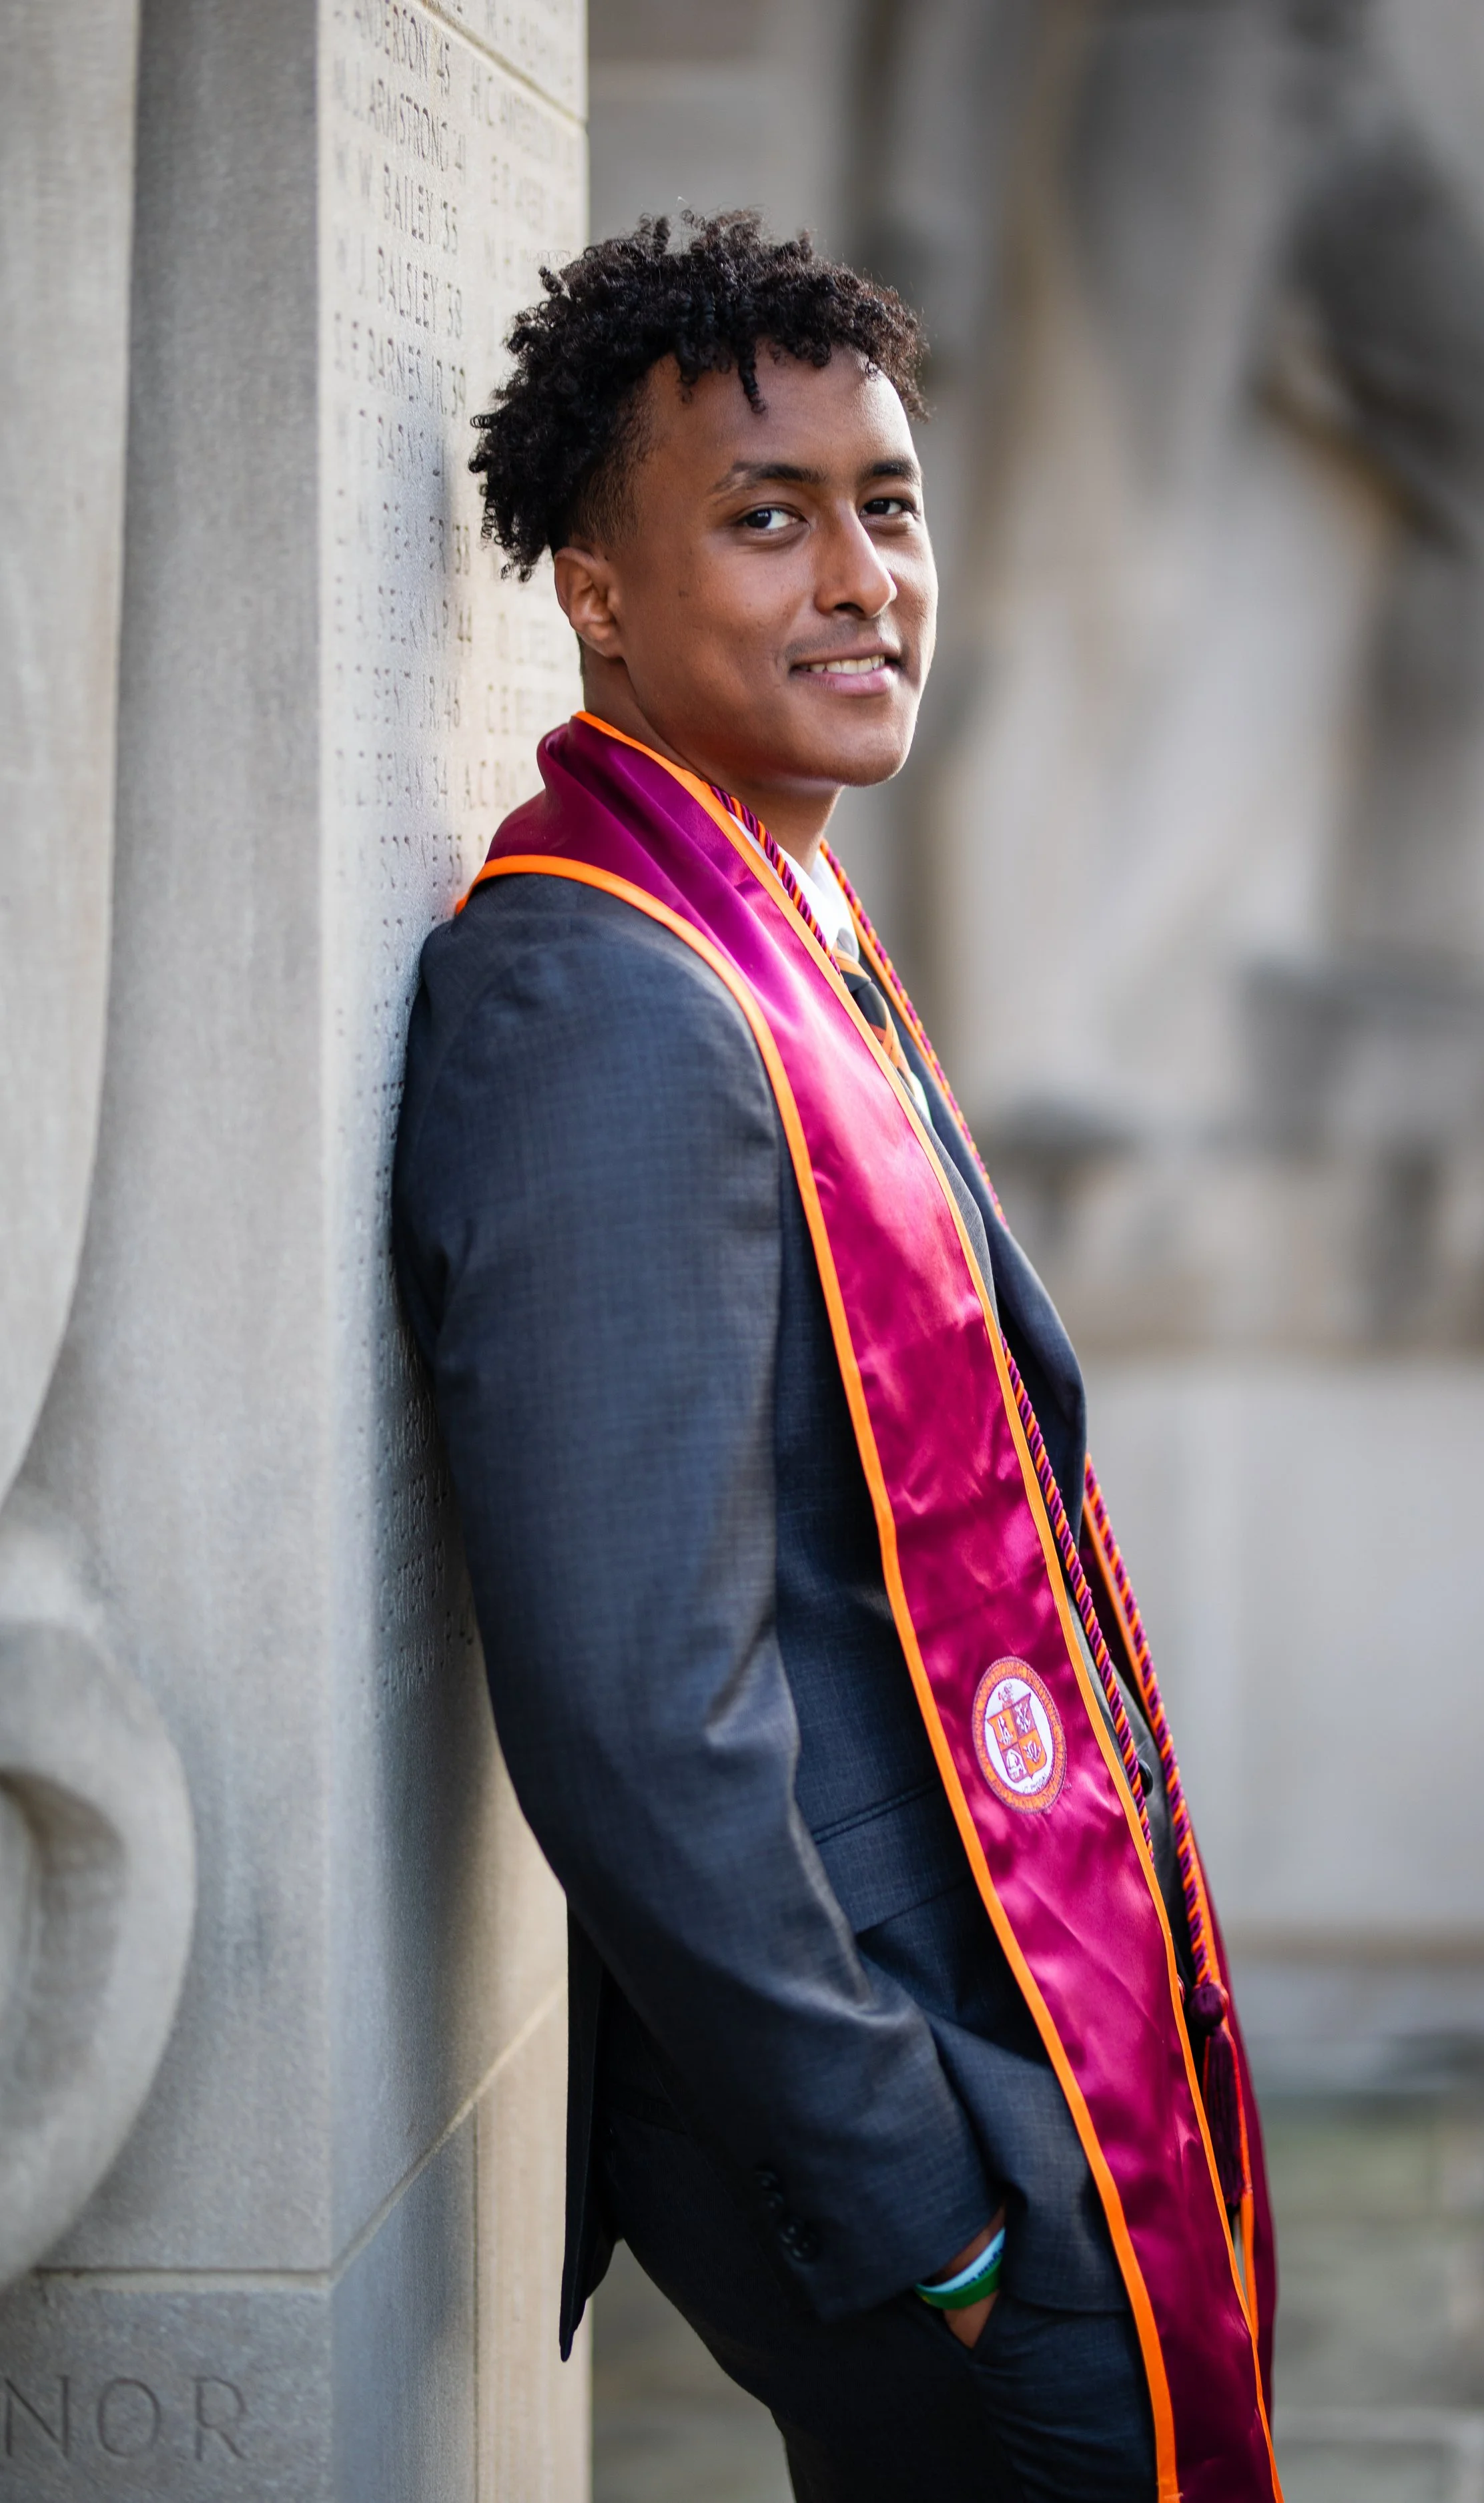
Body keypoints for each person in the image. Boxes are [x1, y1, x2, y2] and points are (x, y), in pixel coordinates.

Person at [393, 211, 1278, 2503]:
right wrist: (937, 2222)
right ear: (593, 589)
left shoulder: (775, 922)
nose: (861, 577)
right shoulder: (597, 998)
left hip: (1015, 2031)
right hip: (907, 2128)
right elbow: (634, 1713)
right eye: (765, 520)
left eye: (887, 505)